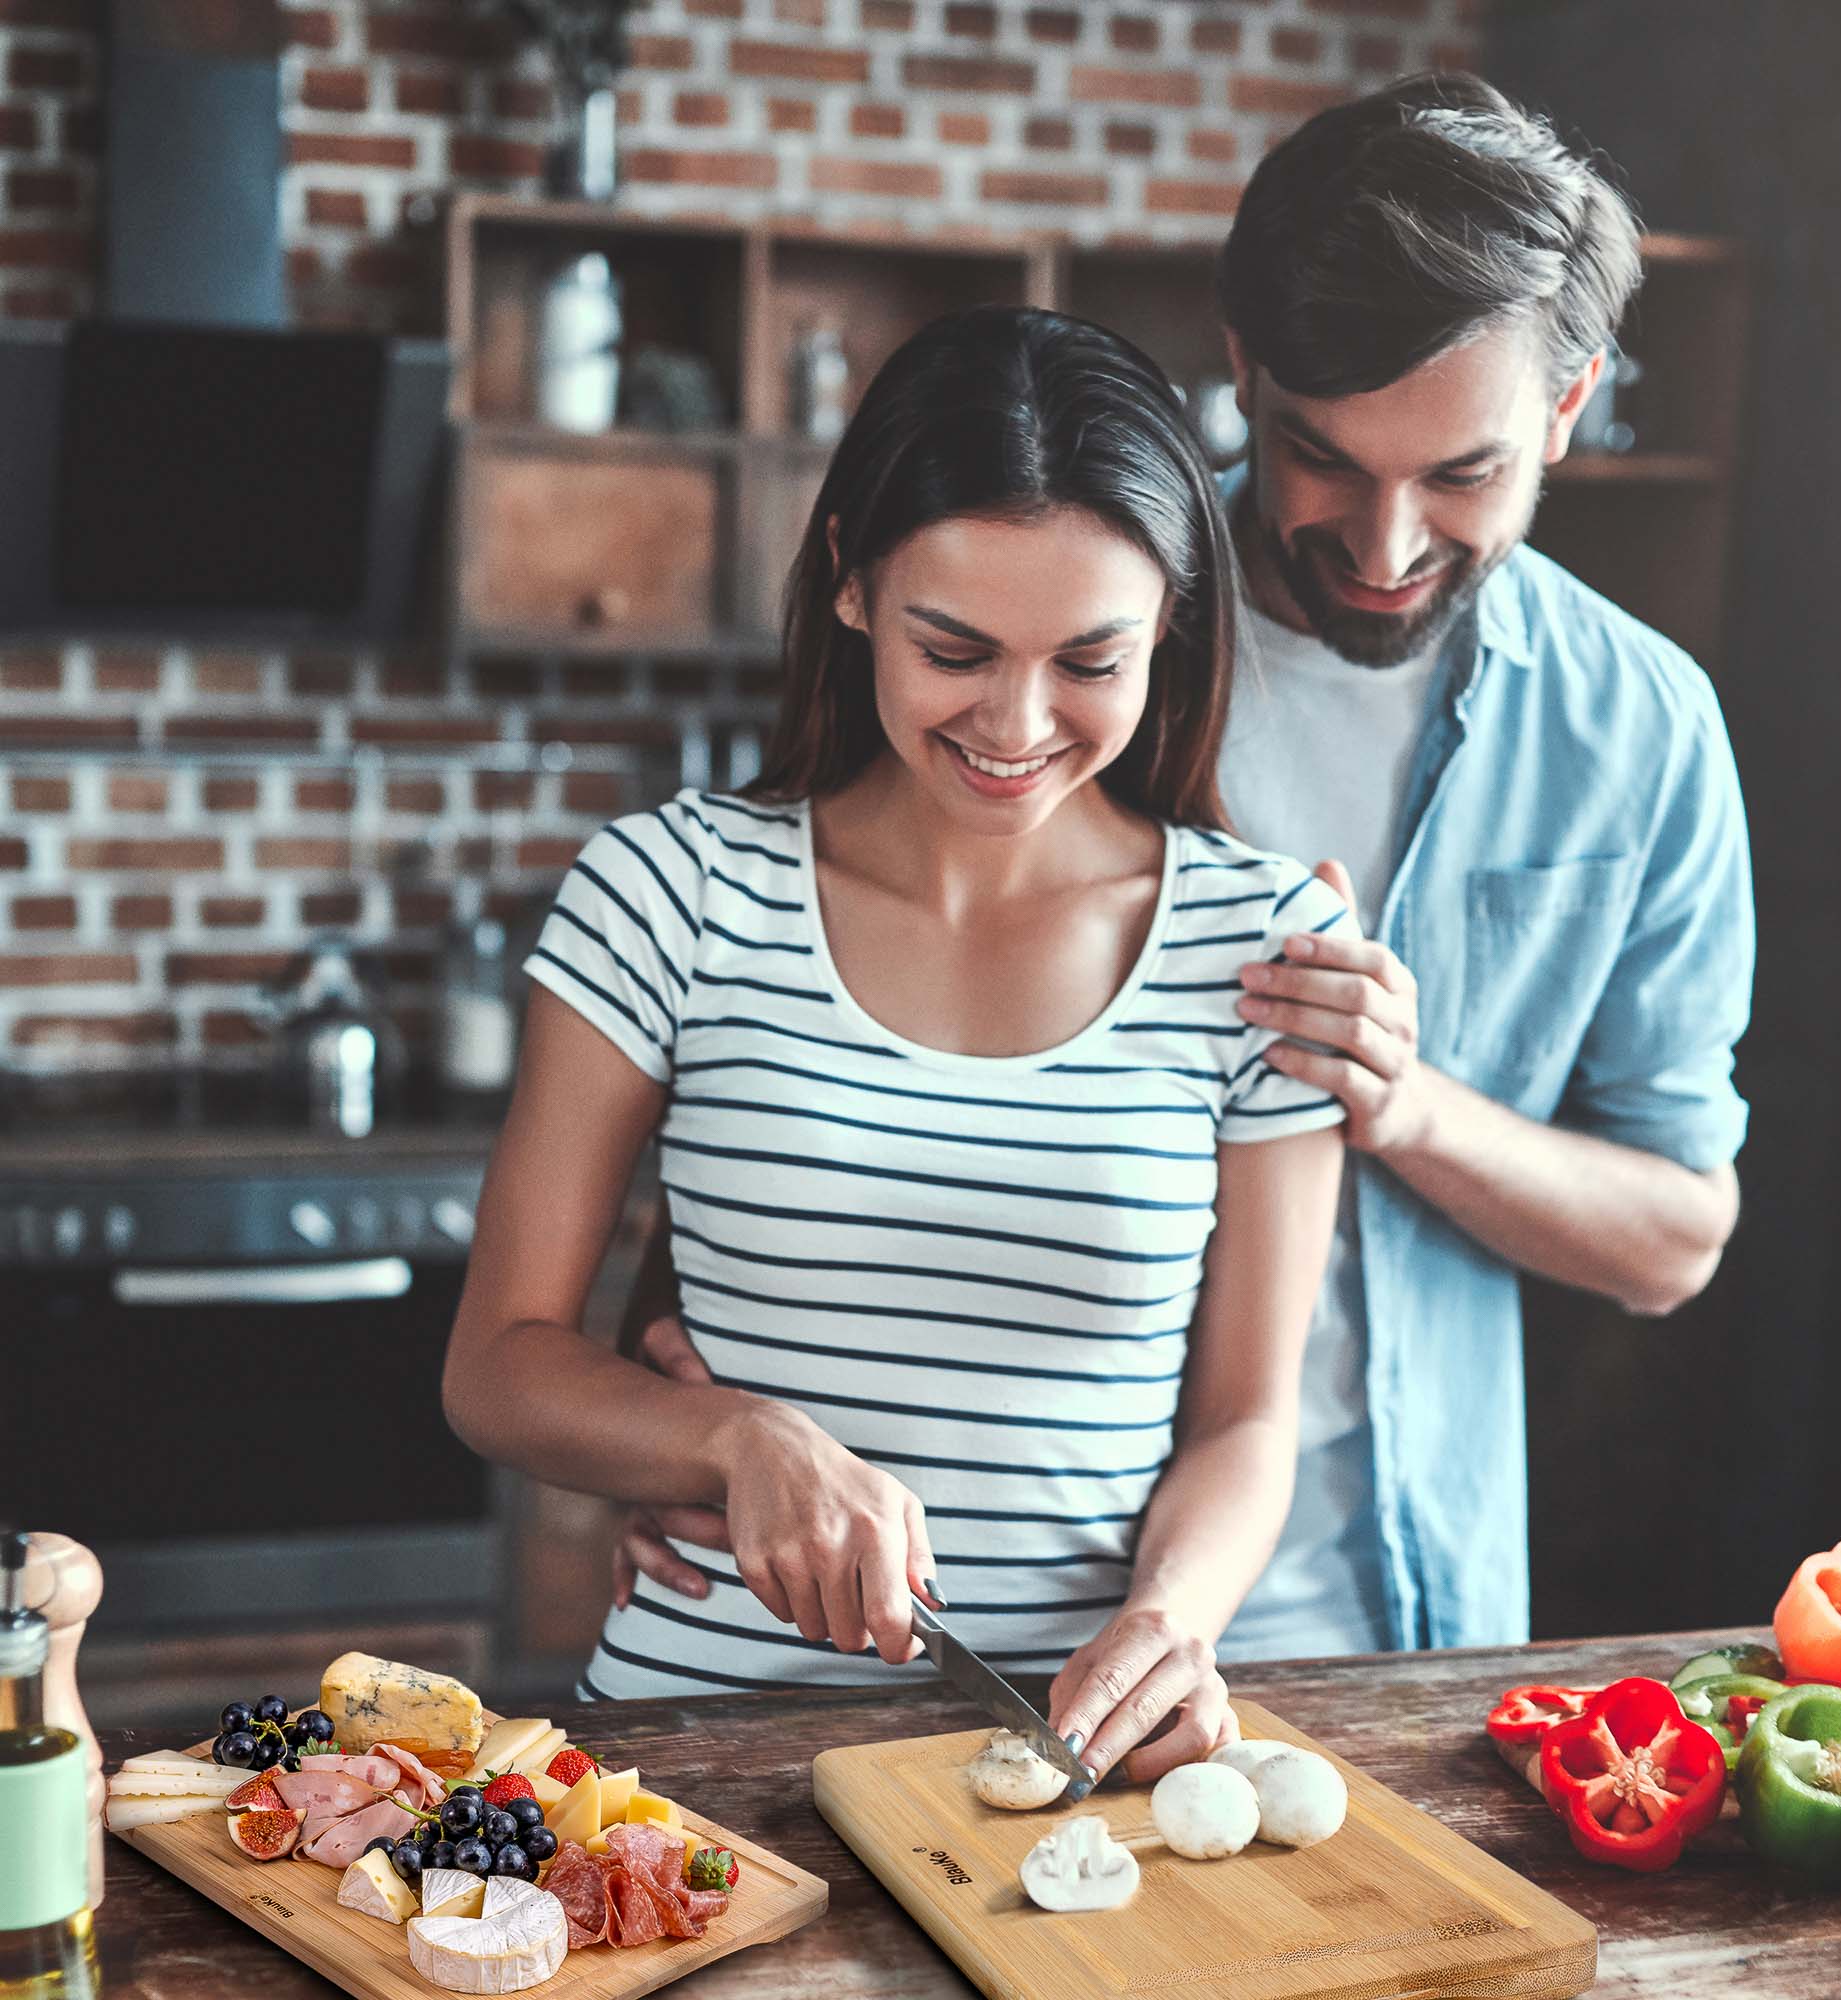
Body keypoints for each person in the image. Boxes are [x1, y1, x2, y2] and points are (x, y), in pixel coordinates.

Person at [610, 73, 1756, 1665]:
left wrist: (1402, 1102)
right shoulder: (1055, 619)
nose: (1384, 542)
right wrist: (679, 1417)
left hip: (1388, 1598)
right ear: (1241, 372)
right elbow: (792, 1015)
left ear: (1566, 409)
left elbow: (1677, 1234)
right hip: (949, 1614)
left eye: (1463, 477)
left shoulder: (1640, 729)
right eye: (1324, 460)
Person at [443, 306, 1353, 1784]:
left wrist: (1173, 1622)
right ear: (855, 581)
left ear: (1172, 623)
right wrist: (735, 1441)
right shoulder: (669, 892)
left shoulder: (1261, 949)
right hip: (698, 1751)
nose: (1017, 721)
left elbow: (1249, 1420)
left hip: (1070, 1756)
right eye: (957, 647)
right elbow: (497, 1365)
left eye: (1089, 662)